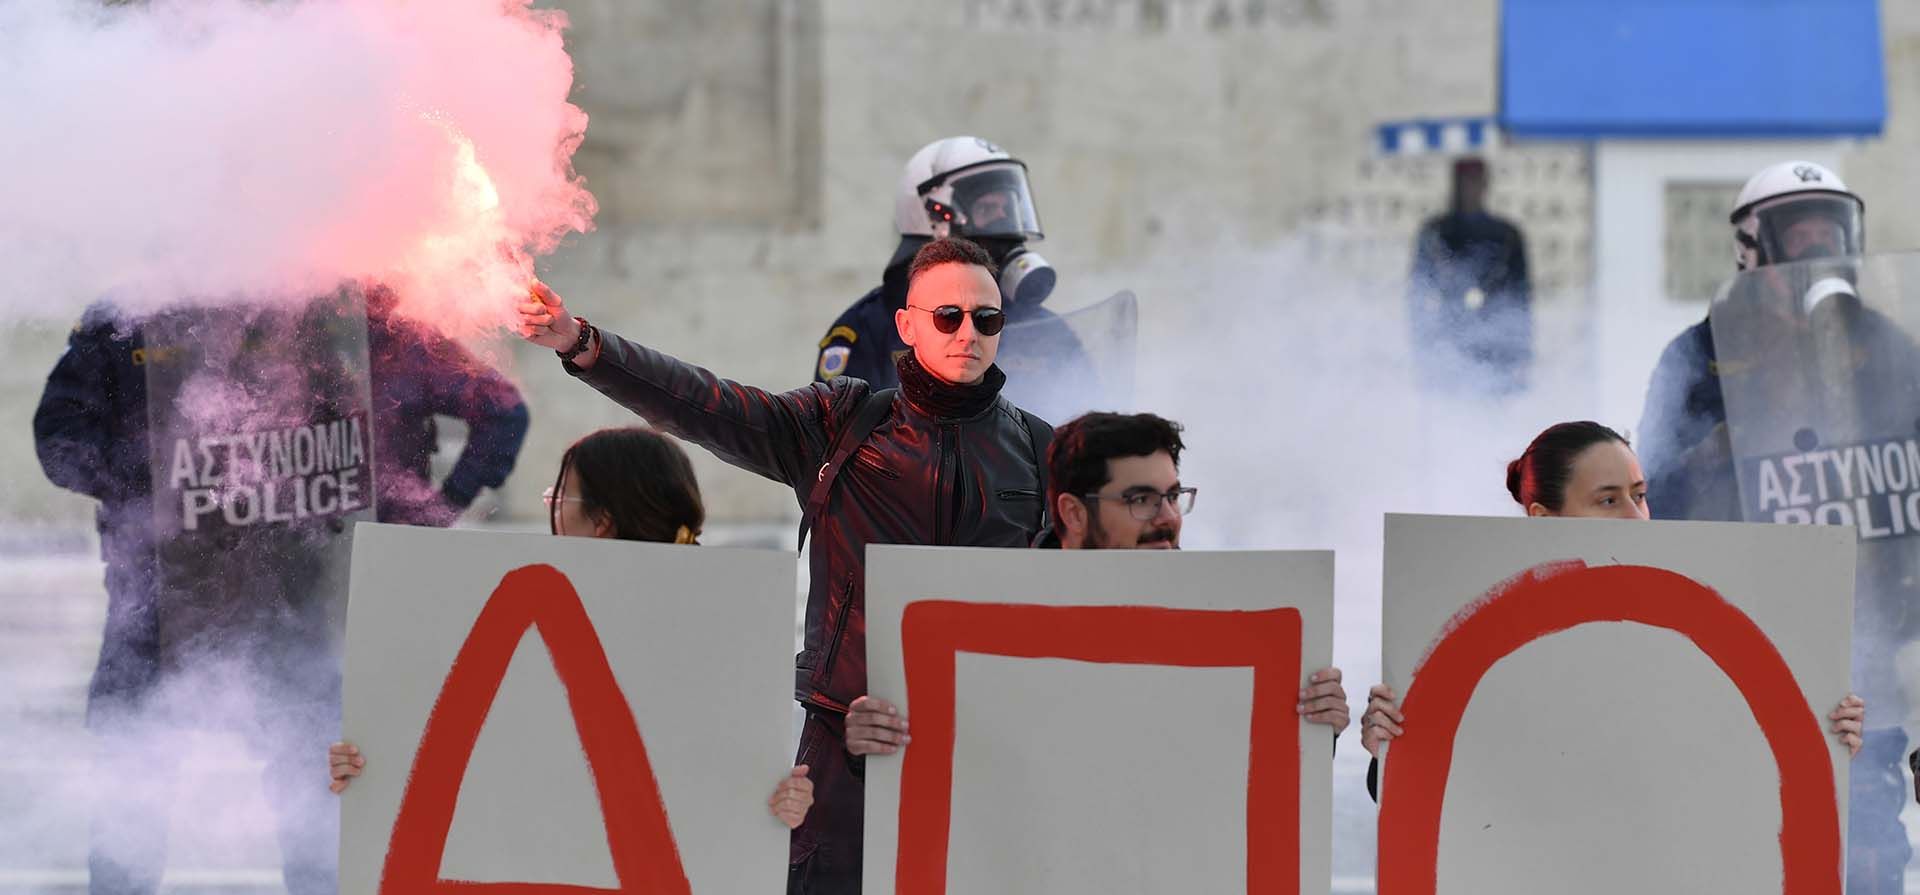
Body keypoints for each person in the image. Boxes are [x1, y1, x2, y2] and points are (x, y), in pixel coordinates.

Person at [517, 236, 1052, 895]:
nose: (968, 331)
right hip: (842, 756)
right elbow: (707, 403)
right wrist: (585, 344)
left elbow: (1074, 614)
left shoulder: (1038, 448)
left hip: (986, 752)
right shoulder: (843, 421)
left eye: (987, 318)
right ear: (908, 324)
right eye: (949, 316)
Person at [32, 288, 529, 895]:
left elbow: (500, 410)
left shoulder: (361, 314)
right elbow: (61, 438)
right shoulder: (137, 310)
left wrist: (426, 517)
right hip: (165, 598)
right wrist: (153, 481)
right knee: (130, 788)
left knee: (319, 808)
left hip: (312, 605)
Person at [1637, 162, 1909, 893]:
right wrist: (1718, 450)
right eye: (1801, 236)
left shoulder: (1886, 349)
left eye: (1834, 232)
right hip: (1738, 646)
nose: (1821, 253)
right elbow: (1644, 503)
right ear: (1751, 249)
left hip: (1865, 664)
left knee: (1868, 855)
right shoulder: (1698, 359)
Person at [327, 426, 815, 829]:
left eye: (558, 495)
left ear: (601, 521)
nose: (550, 508)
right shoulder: (731, 630)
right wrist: (370, 769)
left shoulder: (523, 626)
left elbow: (740, 781)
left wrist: (784, 802)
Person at [1359, 421, 1866, 798]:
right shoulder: (1490, 643)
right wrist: (1392, 751)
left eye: (1640, 496)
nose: (1635, 517)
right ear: (1542, 518)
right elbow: (1447, 811)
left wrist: (1823, 737)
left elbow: (1730, 782)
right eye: (1607, 500)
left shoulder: (1686, 635)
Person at [844, 411, 1351, 773]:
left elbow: (1242, 771)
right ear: (1072, 513)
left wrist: (1314, 725)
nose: (1169, 519)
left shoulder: (1226, 627)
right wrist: (872, 746)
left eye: (1174, 497)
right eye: (1141, 500)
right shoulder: (981, 626)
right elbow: (943, 778)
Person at [811, 136, 1098, 423]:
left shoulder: (1047, 331)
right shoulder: (867, 329)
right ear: (932, 219)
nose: (1004, 227)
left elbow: (1092, 431)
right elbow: (833, 441)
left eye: (1008, 210)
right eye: (987, 211)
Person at [1406, 156, 1533, 396]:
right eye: (1464, 182)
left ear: (1485, 184)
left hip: (1497, 349)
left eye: (1475, 182)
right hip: (1446, 344)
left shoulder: (1507, 235)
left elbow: (1521, 299)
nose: (1469, 189)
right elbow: (1418, 295)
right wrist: (1423, 351)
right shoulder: (1435, 233)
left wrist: (1522, 355)